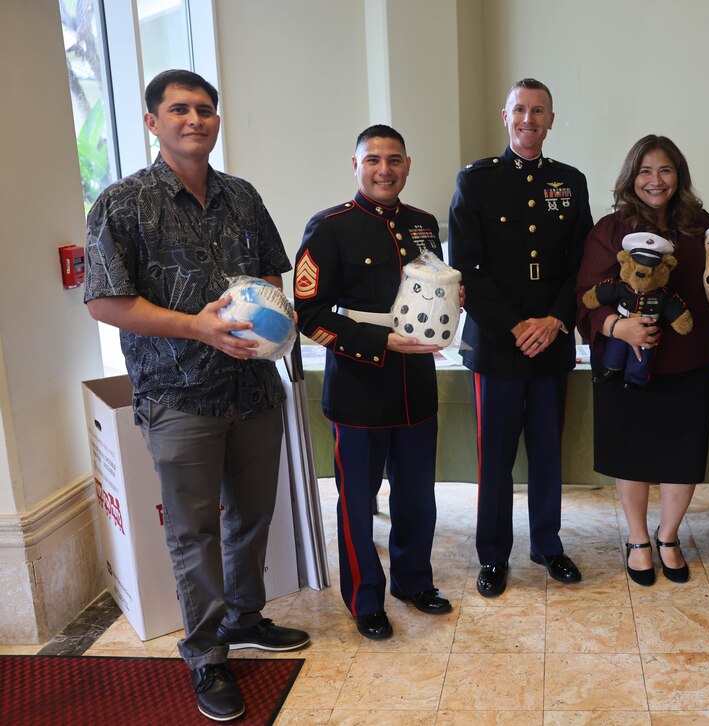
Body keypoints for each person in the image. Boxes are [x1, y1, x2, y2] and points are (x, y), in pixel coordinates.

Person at [83, 69, 308, 722]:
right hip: (177, 395)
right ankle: (207, 654)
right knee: (194, 532)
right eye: (179, 109)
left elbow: (271, 270)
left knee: (254, 516)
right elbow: (104, 300)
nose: (196, 119)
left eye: (205, 109)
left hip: (254, 388)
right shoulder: (122, 203)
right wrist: (198, 328)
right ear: (152, 121)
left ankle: (244, 617)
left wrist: (271, 313)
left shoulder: (241, 196)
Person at [575, 135, 709, 586]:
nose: (655, 181)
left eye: (664, 170)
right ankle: (638, 538)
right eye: (645, 171)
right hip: (625, 363)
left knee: (683, 455)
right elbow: (585, 297)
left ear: (679, 176)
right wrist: (618, 328)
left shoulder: (704, 227)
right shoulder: (609, 229)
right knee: (632, 455)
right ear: (630, 178)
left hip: (688, 359)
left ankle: (669, 535)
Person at [294, 125, 456, 641]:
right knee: (356, 501)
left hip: (416, 383)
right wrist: (378, 342)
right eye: (373, 160)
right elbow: (309, 313)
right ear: (356, 164)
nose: (383, 170)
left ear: (408, 165)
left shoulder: (425, 224)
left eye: (394, 160)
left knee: (417, 496)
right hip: (359, 382)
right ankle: (365, 598)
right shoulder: (329, 227)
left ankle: (413, 581)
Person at [449, 78, 592, 597]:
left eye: (539, 111)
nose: (528, 119)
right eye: (520, 111)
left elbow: (581, 263)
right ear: (504, 117)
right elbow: (466, 266)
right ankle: (493, 555)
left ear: (551, 120)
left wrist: (554, 320)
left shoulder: (571, 182)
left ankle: (548, 545)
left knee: (548, 453)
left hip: (552, 341)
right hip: (497, 343)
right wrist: (514, 326)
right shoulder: (476, 181)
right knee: (497, 458)